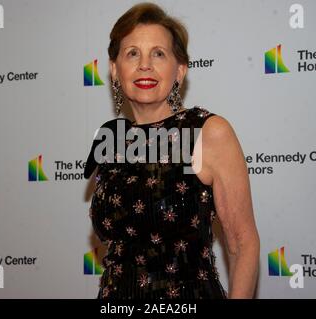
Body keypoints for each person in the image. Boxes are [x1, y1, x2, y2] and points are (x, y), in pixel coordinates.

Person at [84, 2, 260, 299]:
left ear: (180, 71)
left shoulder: (205, 132)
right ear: (115, 70)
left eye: (159, 53)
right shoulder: (111, 139)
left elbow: (243, 244)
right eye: (132, 53)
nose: (145, 65)